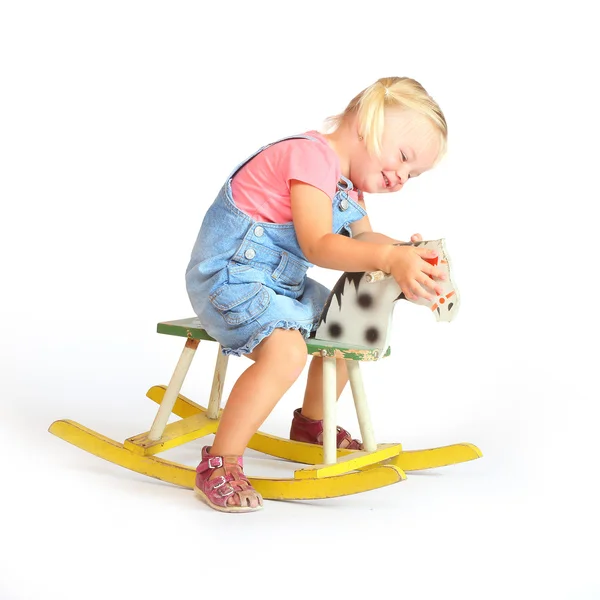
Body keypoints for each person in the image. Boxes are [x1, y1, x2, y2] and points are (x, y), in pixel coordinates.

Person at [185, 76, 448, 512]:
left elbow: (364, 240)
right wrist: (387, 257)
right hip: (230, 277)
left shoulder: (348, 184)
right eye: (403, 158)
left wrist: (406, 255)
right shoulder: (310, 157)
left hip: (278, 282)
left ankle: (311, 424)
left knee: (350, 319)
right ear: (368, 121)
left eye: (413, 175)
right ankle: (219, 462)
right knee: (287, 353)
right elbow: (317, 245)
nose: (402, 177)